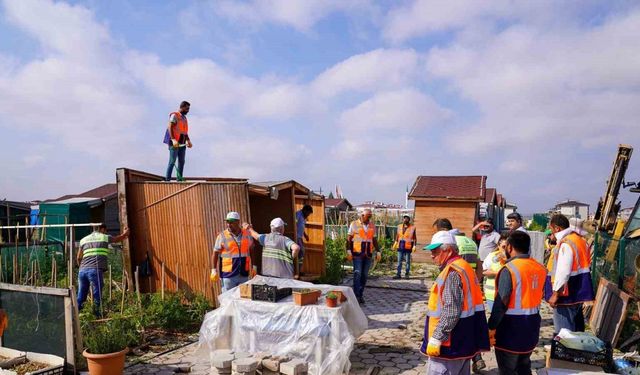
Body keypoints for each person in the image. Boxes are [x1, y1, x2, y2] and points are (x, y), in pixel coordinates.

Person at [421, 230, 490, 375]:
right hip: (464, 340)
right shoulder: (464, 267)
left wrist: (437, 338)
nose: (431, 255)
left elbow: (451, 311)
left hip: (449, 346)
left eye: (435, 250)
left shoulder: (452, 273)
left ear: (448, 250)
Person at [489, 231, 547, 375]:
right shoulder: (539, 268)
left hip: (510, 330)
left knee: (508, 370)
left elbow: (501, 303)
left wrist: (491, 327)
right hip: (531, 327)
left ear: (509, 248)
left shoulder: (510, 269)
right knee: (523, 367)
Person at [545, 214, 594, 333]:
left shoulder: (566, 243)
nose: (551, 233)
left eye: (551, 229)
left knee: (564, 334)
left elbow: (563, 271)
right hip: (578, 290)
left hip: (566, 295)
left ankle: (567, 351)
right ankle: (575, 351)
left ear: (557, 228)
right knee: (576, 330)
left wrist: (556, 294)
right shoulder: (580, 240)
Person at [77, 224, 130, 314]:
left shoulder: (83, 240)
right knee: (97, 293)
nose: (106, 232)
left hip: (82, 271)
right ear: (102, 229)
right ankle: (97, 314)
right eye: (105, 230)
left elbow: (78, 258)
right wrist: (126, 234)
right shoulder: (104, 237)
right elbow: (117, 239)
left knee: (81, 294)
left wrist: (81, 267)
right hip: (95, 270)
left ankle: (77, 314)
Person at [211, 212, 255, 292]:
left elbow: (251, 249)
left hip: (243, 273)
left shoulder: (247, 234)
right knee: (228, 298)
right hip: (228, 275)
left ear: (238, 222)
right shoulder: (222, 236)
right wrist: (214, 270)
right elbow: (215, 253)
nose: (228, 224)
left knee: (243, 297)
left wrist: (254, 266)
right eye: (227, 222)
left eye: (231, 222)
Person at [347, 209, 381, 304]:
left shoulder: (372, 226)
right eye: (368, 216)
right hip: (357, 253)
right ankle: (356, 295)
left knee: (364, 275)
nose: (369, 218)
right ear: (362, 215)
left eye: (370, 216)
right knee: (357, 274)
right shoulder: (354, 224)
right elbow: (349, 239)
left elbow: (374, 239)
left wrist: (378, 251)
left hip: (368, 254)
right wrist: (348, 250)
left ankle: (360, 294)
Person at [164, 101, 192, 181]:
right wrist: (173, 139)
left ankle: (179, 179)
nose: (188, 111)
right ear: (182, 107)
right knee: (172, 161)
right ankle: (167, 180)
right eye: (187, 109)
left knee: (182, 161)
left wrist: (188, 141)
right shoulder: (174, 115)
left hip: (182, 143)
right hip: (174, 142)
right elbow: (170, 127)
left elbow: (184, 131)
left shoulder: (184, 118)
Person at [482, 232, 509, 311]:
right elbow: (483, 271)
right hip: (492, 295)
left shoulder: (513, 258)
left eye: (508, 246)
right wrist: (497, 273)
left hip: (509, 296)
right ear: (498, 246)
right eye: (503, 246)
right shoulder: (492, 256)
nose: (506, 249)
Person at [393, 214, 417, 279]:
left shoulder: (412, 227)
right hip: (400, 246)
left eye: (407, 218)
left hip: (408, 247)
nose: (405, 219)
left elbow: (414, 237)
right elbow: (397, 235)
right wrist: (395, 242)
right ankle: (398, 274)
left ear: (409, 219)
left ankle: (407, 274)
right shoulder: (399, 226)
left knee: (407, 261)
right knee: (399, 261)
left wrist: (414, 245)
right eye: (404, 218)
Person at [295, 204, 313, 275]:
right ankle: (297, 271)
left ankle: (298, 270)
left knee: (301, 253)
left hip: (300, 237)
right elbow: (295, 224)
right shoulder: (298, 215)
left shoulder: (303, 217)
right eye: (308, 213)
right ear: (305, 210)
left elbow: (301, 227)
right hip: (296, 237)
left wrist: (305, 235)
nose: (308, 215)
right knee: (301, 251)